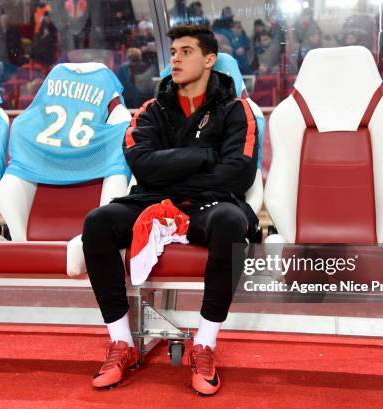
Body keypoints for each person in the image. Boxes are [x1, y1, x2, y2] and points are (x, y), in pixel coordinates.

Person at [82, 24, 259, 395]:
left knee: (230, 220)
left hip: (208, 204)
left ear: (210, 60)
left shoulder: (236, 110)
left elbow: (238, 172)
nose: (175, 58)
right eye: (173, 51)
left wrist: (173, 174)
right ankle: (122, 343)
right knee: (98, 222)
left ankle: (206, 344)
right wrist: (204, 155)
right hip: (151, 201)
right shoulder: (151, 109)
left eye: (186, 52)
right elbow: (141, 163)